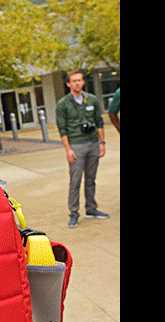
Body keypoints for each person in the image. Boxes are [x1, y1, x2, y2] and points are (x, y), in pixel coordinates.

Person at [56, 70, 110, 228]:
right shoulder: (63, 104)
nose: (77, 83)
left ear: (83, 82)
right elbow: (62, 129)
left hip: (93, 143)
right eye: (73, 81)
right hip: (76, 145)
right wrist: (68, 150)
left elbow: (99, 122)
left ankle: (91, 209)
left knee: (91, 179)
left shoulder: (92, 100)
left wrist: (102, 143)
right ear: (68, 84)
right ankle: (73, 213)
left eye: (79, 80)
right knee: (75, 181)